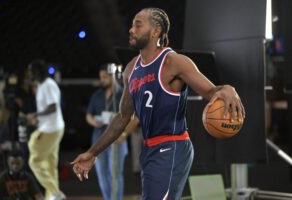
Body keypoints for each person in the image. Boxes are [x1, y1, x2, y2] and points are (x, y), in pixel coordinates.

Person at [71, 7, 245, 200]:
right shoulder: (131, 69)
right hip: (149, 149)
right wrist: (93, 153)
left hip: (172, 146)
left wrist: (227, 88)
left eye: (138, 25)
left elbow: (211, 91)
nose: (131, 30)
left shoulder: (174, 62)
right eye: (132, 25)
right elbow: (122, 117)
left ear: (155, 31)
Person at [86, 64, 128, 200]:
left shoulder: (122, 93)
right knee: (102, 174)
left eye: (105, 77)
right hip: (99, 139)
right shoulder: (97, 94)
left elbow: (132, 117)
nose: (102, 80)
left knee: (115, 174)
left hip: (116, 139)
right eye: (101, 77)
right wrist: (93, 121)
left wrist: (124, 133)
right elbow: (88, 115)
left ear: (113, 76)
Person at [26, 59, 66, 200]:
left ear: (37, 72)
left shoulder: (49, 85)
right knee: (50, 166)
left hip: (51, 130)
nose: (29, 75)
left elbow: (53, 107)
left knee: (34, 161)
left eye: (31, 72)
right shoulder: (42, 85)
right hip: (50, 127)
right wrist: (37, 120)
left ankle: (55, 192)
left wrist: (36, 115)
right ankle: (52, 197)